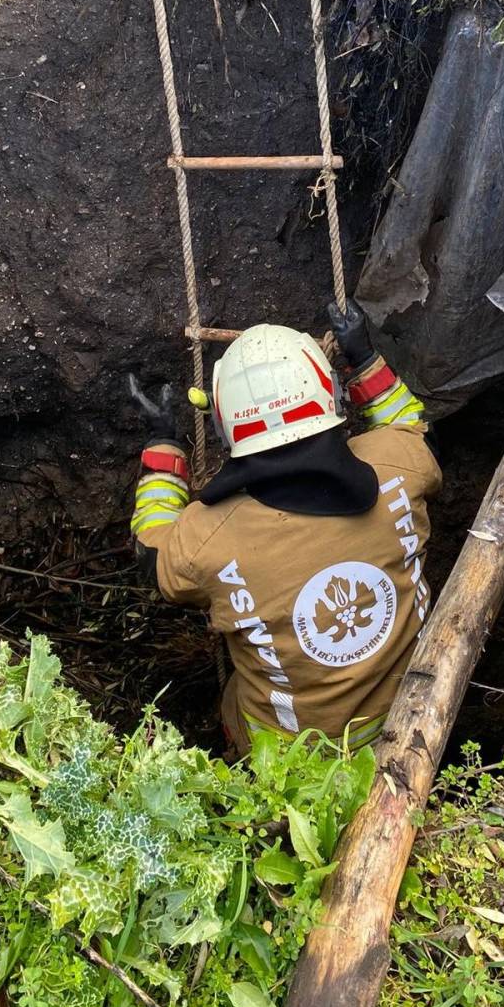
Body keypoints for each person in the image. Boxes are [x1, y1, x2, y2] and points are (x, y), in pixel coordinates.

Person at [128, 302, 441, 753]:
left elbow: (152, 554)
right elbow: (413, 428)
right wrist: (366, 361)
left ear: (223, 427)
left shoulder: (206, 539)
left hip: (287, 760)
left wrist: (164, 452)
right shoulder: (398, 464)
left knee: (240, 699)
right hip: (414, 713)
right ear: (329, 399)